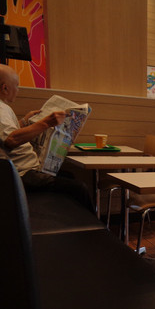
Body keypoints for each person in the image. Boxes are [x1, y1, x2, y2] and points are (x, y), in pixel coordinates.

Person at [0, 64, 93, 211]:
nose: (18, 90)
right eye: (16, 86)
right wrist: (46, 123)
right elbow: (11, 140)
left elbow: (5, 133)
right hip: (23, 175)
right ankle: (89, 225)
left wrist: (24, 121)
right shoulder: (1, 109)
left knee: (69, 176)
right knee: (80, 188)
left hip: (25, 170)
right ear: (5, 88)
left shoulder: (4, 109)